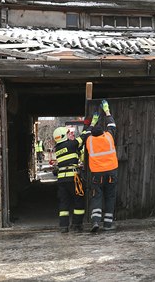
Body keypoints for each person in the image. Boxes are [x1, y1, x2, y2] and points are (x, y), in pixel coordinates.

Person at [52, 113, 98, 233]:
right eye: (69, 133)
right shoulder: (71, 144)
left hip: (61, 180)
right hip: (73, 178)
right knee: (79, 200)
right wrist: (92, 124)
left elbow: (76, 148)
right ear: (63, 136)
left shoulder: (58, 149)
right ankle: (77, 225)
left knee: (64, 203)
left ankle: (63, 226)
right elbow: (84, 136)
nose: (71, 134)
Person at [87, 100, 119, 232]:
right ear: (103, 132)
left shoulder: (89, 141)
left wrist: (93, 122)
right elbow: (112, 125)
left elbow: (86, 132)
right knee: (110, 197)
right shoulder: (108, 137)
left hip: (97, 175)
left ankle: (95, 221)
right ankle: (107, 224)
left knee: (97, 197)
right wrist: (107, 110)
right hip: (111, 171)